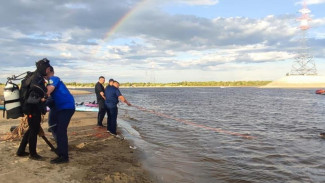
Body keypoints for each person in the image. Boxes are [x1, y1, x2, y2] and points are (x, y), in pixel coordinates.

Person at [16, 58, 51, 160]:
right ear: (46, 68)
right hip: (32, 108)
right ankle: (33, 153)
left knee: (32, 129)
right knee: (34, 130)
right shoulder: (37, 77)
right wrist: (44, 95)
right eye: (48, 69)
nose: (48, 70)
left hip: (30, 107)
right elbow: (34, 88)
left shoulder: (34, 76)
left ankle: (21, 150)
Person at [46, 66, 75, 164]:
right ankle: (61, 149)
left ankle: (64, 156)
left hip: (66, 107)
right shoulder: (50, 81)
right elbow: (50, 98)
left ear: (49, 71)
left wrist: (40, 99)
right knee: (54, 127)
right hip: (61, 108)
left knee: (61, 131)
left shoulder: (53, 79)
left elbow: (48, 91)